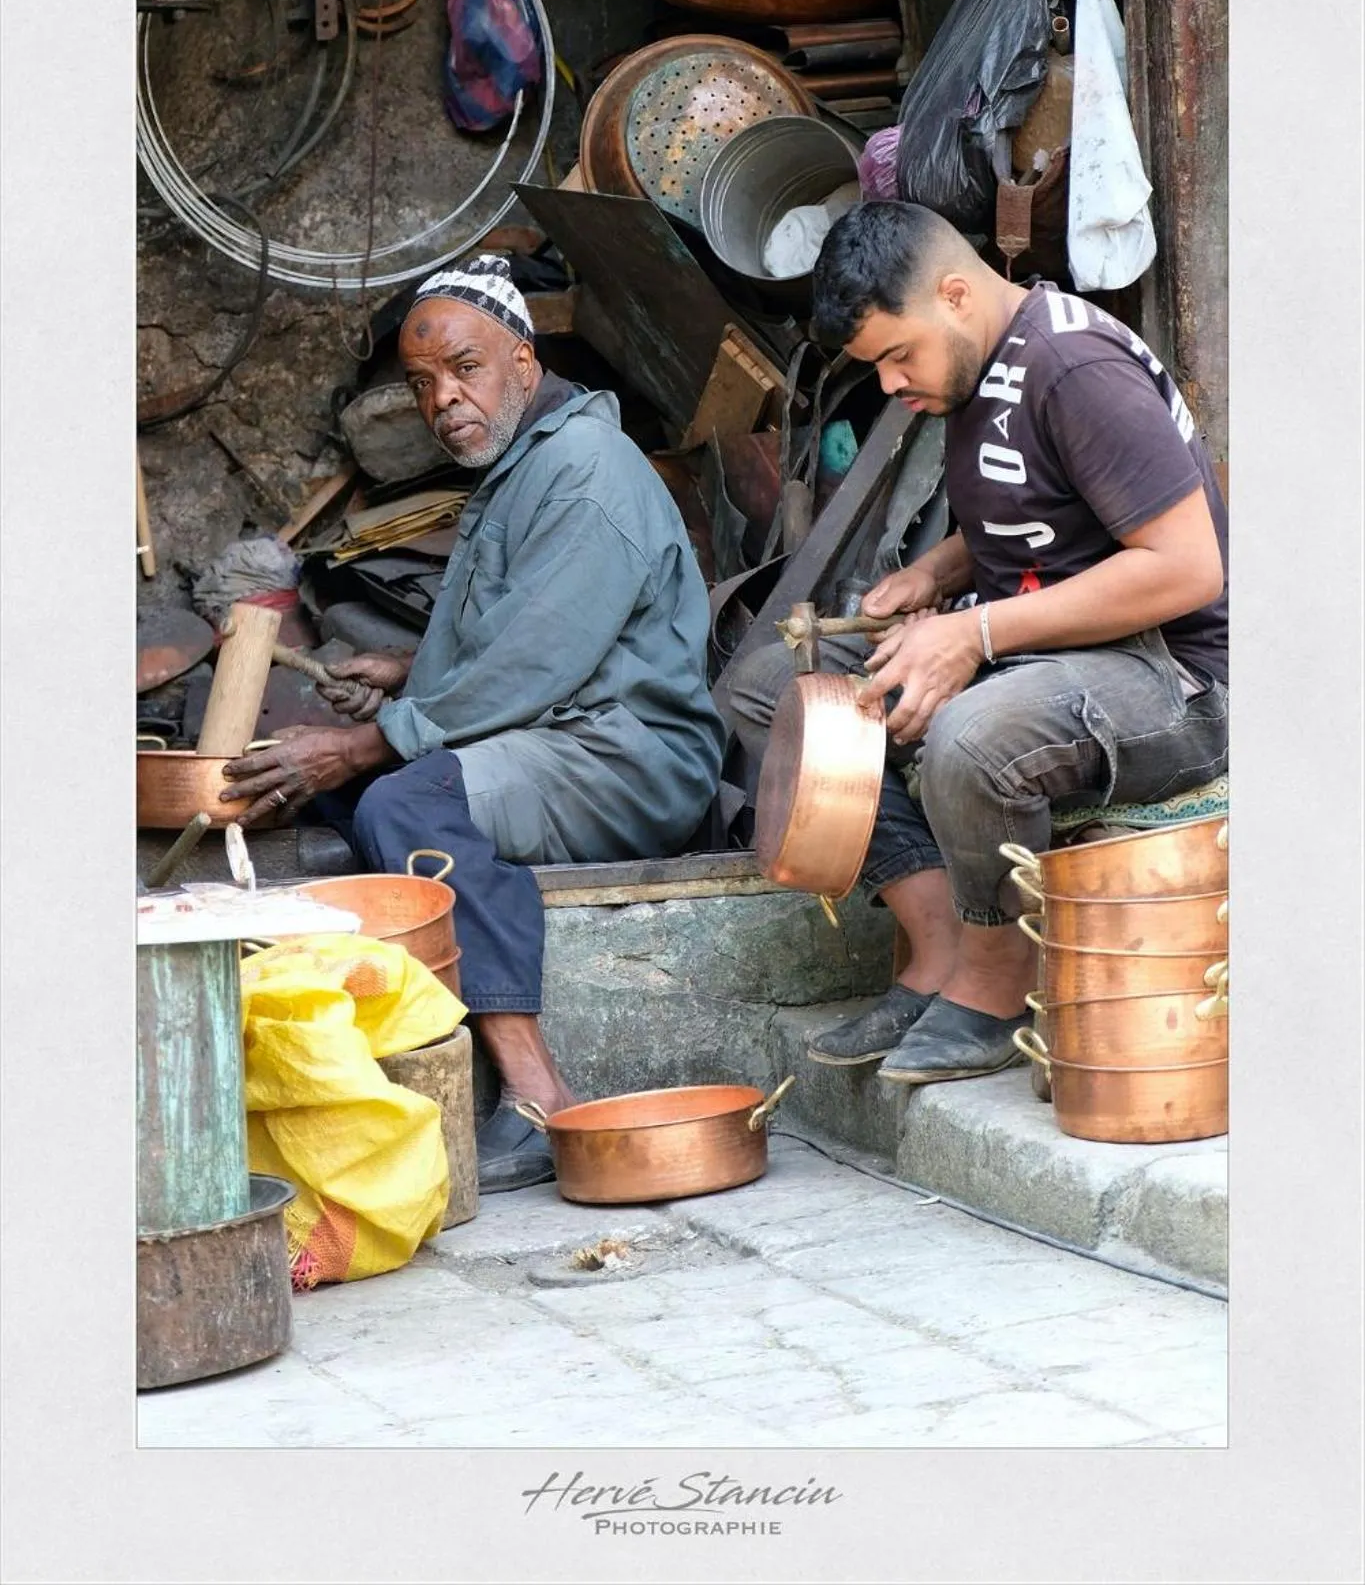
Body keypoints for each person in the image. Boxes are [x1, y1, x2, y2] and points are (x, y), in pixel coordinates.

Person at [223, 255, 725, 1189]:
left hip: (626, 756)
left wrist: (369, 742)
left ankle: (534, 1092)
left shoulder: (584, 469)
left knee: (406, 802)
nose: (443, 399)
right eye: (422, 383)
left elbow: (534, 662)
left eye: (465, 368)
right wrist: (407, 674)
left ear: (523, 364)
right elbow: (523, 635)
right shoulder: (522, 462)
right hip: (560, 731)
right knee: (345, 795)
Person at [727, 200, 1228, 1085]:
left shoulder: (1073, 369)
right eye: (875, 366)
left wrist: (974, 631)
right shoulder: (976, 363)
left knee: (973, 738)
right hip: (1047, 648)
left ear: (954, 295)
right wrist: (938, 572)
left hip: (1169, 675)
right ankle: (940, 949)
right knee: (774, 688)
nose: (889, 383)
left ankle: (999, 980)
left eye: (897, 355)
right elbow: (1042, 506)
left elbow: (1186, 569)